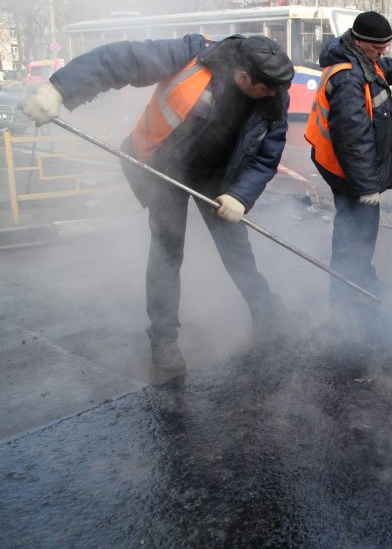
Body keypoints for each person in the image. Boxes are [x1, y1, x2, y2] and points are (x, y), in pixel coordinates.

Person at [18, 34, 299, 378]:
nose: (275, 96)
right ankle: (164, 340)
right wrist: (58, 89)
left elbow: (267, 156)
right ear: (244, 76)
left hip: (218, 179)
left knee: (237, 249)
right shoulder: (192, 55)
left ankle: (267, 312)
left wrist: (241, 196)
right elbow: (121, 59)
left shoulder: (274, 95)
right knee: (167, 252)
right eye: (268, 89)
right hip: (164, 168)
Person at [305, 11, 392, 318]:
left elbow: (380, 69)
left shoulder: (358, 60)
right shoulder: (348, 79)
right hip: (345, 170)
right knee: (352, 232)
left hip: (348, 168)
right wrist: (367, 187)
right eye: (376, 47)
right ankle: (345, 298)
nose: (382, 52)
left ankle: (362, 281)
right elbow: (353, 140)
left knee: (363, 230)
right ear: (359, 41)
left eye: (386, 46)